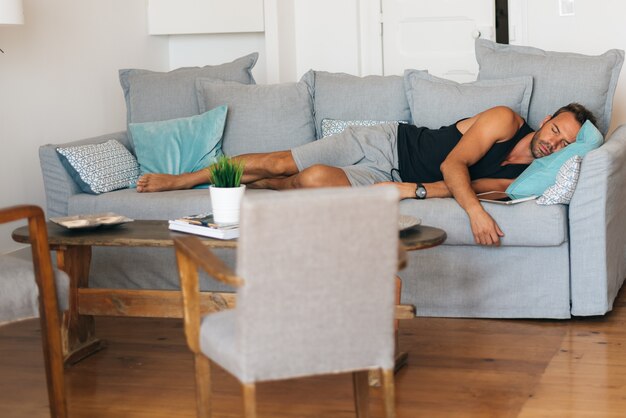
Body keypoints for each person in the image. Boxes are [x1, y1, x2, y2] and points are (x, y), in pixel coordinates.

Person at [136, 103, 596, 246]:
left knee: (312, 181)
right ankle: (185, 179)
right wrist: (474, 214)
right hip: (383, 144)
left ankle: (267, 185)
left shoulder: (525, 177)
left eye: (564, 142)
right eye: (555, 128)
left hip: (390, 178)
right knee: (280, 162)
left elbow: (448, 186)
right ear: (547, 120)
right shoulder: (505, 120)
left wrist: (406, 190)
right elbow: (453, 167)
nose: (553, 142)